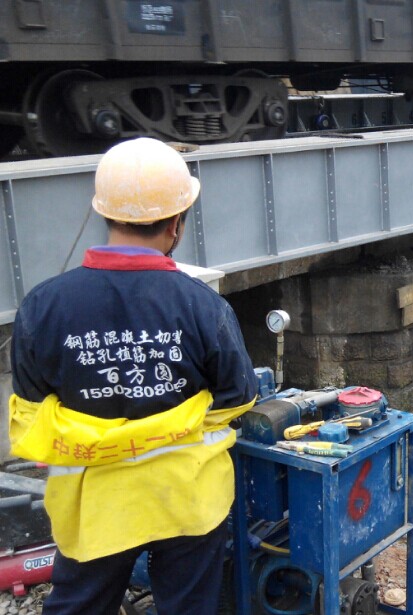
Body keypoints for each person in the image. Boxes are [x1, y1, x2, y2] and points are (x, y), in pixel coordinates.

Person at [7, 138, 258, 615]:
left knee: (78, 605)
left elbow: (30, 415)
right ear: (177, 223)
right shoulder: (203, 306)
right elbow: (237, 398)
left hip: (94, 505)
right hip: (185, 499)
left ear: (106, 214)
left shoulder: (42, 306)